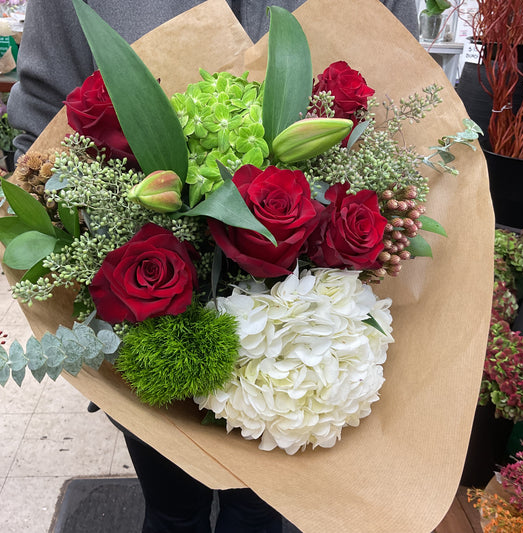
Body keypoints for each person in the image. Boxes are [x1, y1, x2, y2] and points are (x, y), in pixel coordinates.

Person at [7, 1, 418, 532]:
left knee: (267, 513)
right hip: (150, 329)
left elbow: (403, 95)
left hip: (308, 338)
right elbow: (42, 120)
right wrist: (95, 242)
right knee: (172, 507)